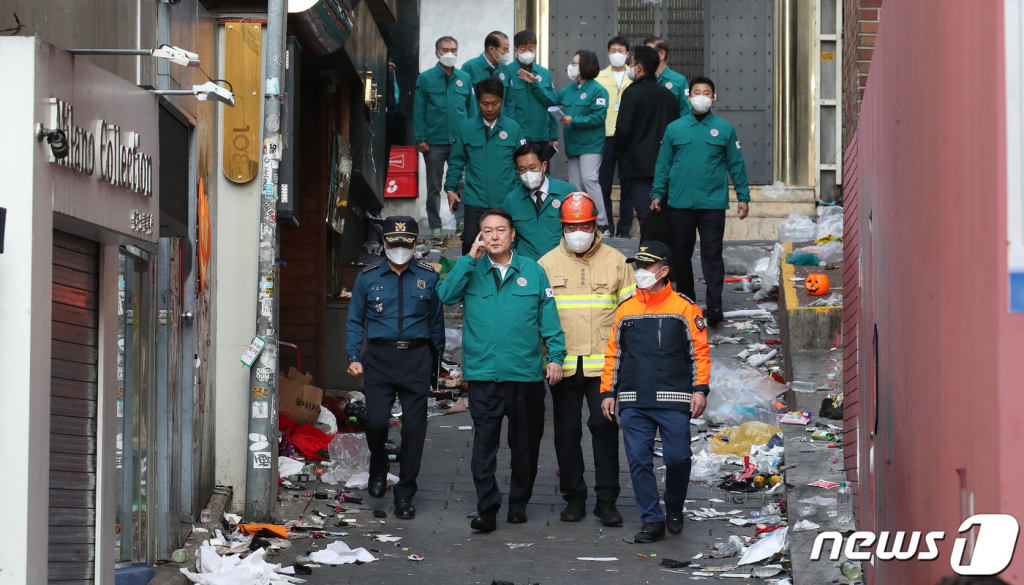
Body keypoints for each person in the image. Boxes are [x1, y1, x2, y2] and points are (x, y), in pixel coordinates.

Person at [436, 209, 567, 532]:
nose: (494, 236)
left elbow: (548, 317)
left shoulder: (533, 272)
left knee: (525, 446)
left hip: (524, 376)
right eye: (487, 231)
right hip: (483, 377)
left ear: (512, 235)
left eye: (500, 230)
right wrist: (469, 258)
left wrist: (556, 356)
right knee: (483, 447)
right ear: (480, 236)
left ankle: (519, 504)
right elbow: (445, 295)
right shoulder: (470, 270)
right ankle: (488, 507)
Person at [599, 240, 710, 543]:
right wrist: (607, 392)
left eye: (646, 266)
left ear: (663, 271)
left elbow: (699, 353)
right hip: (633, 400)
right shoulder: (625, 310)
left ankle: (673, 505)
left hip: (674, 400)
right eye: (637, 266)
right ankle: (652, 520)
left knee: (678, 459)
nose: (639, 272)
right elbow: (614, 355)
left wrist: (700, 390)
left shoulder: (684, 308)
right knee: (638, 461)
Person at [537, 193, 636, 526]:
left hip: (603, 367)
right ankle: (574, 497)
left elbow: (631, 316)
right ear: (562, 227)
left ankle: (606, 500)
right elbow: (537, 317)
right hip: (562, 365)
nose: (578, 232)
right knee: (566, 433)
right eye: (571, 226)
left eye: (584, 225)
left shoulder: (617, 262)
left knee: (603, 427)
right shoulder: (546, 264)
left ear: (595, 225)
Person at [345, 216, 446, 520]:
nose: (400, 248)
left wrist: (437, 364)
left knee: (414, 431)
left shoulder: (429, 276)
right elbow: (354, 321)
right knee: (376, 422)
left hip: (417, 358)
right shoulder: (367, 276)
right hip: (379, 357)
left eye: (406, 243)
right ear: (385, 243)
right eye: (394, 243)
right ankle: (379, 466)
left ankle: (405, 493)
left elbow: (436, 323)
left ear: (415, 244)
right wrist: (353, 356)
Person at [650, 76, 750, 327]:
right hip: (680, 203)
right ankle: (686, 300)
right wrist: (657, 193)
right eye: (697, 92)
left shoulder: (725, 129)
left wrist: (743, 196)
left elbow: (736, 164)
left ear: (714, 98)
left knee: (712, 255)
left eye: (707, 92)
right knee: (681, 255)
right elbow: (663, 164)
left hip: (713, 204)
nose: (702, 96)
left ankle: (715, 305)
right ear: (689, 96)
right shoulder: (675, 128)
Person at [445, 77, 526, 255]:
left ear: (502, 100)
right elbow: (456, 161)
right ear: (477, 101)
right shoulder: (466, 128)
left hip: (506, 200)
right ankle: (471, 282)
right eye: (484, 103)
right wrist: (451, 189)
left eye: (494, 103)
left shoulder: (513, 129)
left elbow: (520, 165)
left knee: (506, 248)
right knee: (471, 246)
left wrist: (521, 194)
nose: (489, 108)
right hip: (475, 200)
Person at [613, 46, 679, 236]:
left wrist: (618, 150)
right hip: (666, 167)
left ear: (639, 67)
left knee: (646, 217)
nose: (630, 66)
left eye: (632, 62)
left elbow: (623, 130)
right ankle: (665, 258)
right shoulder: (668, 96)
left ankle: (650, 259)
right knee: (663, 217)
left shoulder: (631, 93)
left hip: (638, 169)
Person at [414, 36, 472, 238]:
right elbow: (419, 110)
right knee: (434, 186)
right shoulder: (426, 78)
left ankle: (462, 222)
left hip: (460, 141)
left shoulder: (464, 78)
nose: (450, 53)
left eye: (454, 50)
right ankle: (435, 225)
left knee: (462, 183)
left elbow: (471, 110)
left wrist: (474, 137)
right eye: (446, 50)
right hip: (434, 141)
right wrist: (420, 138)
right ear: (437, 53)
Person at [554, 50, 611, 235]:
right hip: (573, 144)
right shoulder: (571, 89)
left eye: (575, 62)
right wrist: (536, 83)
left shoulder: (598, 90)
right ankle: (579, 217)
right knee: (575, 183)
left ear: (586, 65)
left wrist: (574, 120)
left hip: (591, 144)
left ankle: (602, 221)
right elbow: (551, 98)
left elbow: (598, 117)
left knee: (589, 179)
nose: (571, 66)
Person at [501, 143, 577, 260]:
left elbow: (578, 233)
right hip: (528, 269)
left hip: (562, 265)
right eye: (522, 169)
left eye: (532, 168)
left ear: (544, 166)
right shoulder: (511, 201)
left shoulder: (567, 192)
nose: (528, 173)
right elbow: (508, 243)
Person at [596, 36, 633, 237]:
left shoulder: (634, 76)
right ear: (608, 53)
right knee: (604, 184)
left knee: (628, 184)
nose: (616, 54)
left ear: (627, 54)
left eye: (621, 50)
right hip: (605, 135)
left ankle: (625, 229)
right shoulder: (599, 77)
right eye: (613, 50)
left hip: (628, 137)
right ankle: (607, 225)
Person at [510, 30, 559, 162]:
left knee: (542, 177)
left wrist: (553, 136)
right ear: (515, 50)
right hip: (518, 137)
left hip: (542, 136)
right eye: (523, 48)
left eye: (531, 48)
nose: (527, 52)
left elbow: (551, 103)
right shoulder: (507, 72)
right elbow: (505, 107)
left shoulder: (543, 73)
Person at [461, 31, 516, 120]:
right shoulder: (470, 67)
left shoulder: (505, 69)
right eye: (504, 50)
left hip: (501, 124)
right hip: (477, 123)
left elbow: (510, 101)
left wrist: (509, 122)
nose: (507, 53)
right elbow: (464, 100)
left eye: (508, 50)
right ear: (491, 50)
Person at [644, 37, 691, 117]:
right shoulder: (642, 79)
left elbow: (686, 110)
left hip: (671, 128)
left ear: (661, 55)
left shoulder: (679, 80)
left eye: (649, 52)